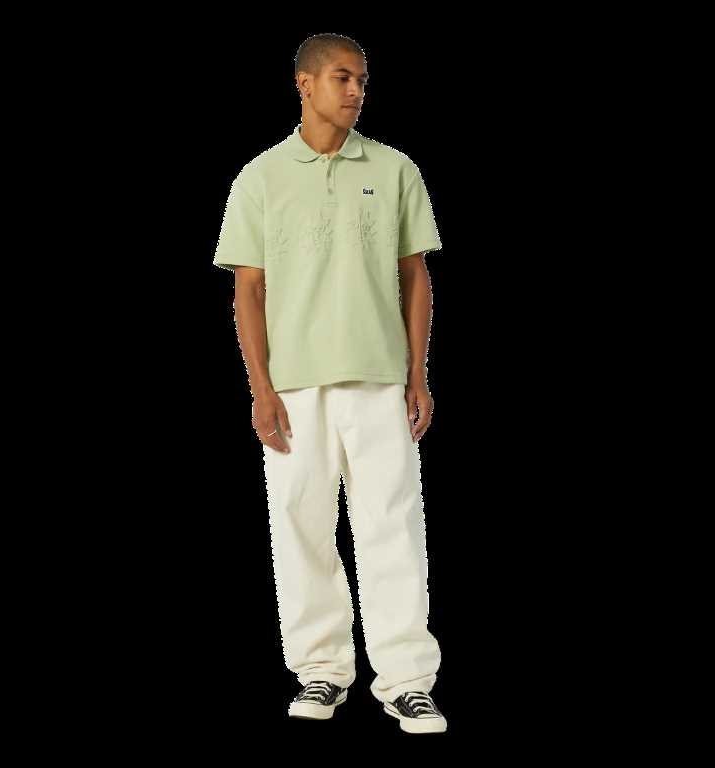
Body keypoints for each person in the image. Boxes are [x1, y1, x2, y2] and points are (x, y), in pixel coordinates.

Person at [213, 33, 446, 735]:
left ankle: (407, 681)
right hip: (293, 388)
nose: (356, 91)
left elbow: (415, 276)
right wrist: (260, 388)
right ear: (304, 84)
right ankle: (321, 671)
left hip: (378, 379)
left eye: (362, 80)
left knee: (392, 527)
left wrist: (417, 374)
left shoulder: (395, 169)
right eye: (343, 77)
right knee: (300, 527)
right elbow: (248, 291)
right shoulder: (260, 177)